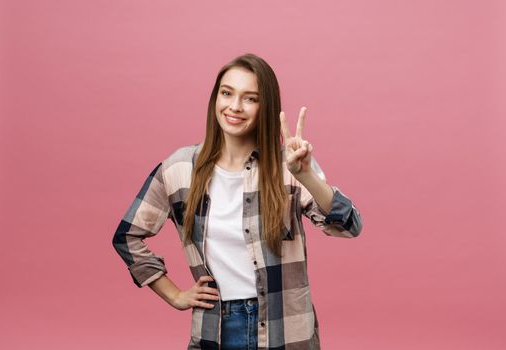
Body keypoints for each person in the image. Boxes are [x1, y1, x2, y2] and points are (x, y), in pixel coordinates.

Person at [112, 53, 363, 350]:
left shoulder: (290, 165)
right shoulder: (179, 168)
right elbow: (127, 235)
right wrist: (174, 295)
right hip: (217, 329)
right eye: (227, 93)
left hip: (286, 329)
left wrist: (306, 175)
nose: (234, 106)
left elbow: (349, 226)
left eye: (250, 98)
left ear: (265, 107)